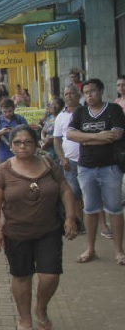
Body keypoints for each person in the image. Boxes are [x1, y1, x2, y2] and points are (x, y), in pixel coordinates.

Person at [0, 124, 77, 330]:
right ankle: (24, 318)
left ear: (36, 144)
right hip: (17, 233)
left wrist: (71, 217)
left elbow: (65, 189)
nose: (22, 146)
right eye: (17, 142)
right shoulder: (3, 171)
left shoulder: (48, 164)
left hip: (49, 230)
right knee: (22, 277)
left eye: (28, 142)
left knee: (50, 276)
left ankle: (41, 308)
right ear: (10, 146)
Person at [65, 78, 125, 265]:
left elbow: (115, 135)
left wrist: (85, 139)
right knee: (89, 209)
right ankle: (90, 248)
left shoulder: (114, 110)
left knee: (114, 209)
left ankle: (119, 251)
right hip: (86, 167)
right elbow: (69, 134)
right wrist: (97, 136)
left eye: (93, 91)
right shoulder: (81, 112)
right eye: (86, 92)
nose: (90, 95)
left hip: (111, 167)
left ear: (101, 91)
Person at [53, 85, 87, 233]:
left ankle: (103, 225)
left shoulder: (87, 112)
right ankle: (79, 222)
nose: (68, 96)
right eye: (65, 94)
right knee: (73, 193)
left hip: (89, 160)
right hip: (70, 162)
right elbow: (57, 141)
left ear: (79, 95)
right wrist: (62, 159)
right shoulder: (61, 116)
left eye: (71, 93)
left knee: (91, 193)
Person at [0, 98, 28, 163]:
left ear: (14, 109)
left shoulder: (20, 119)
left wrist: (17, 132)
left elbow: (29, 136)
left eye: (10, 111)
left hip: (20, 154)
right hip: (3, 156)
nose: (7, 114)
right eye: (5, 112)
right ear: (1, 109)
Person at [39, 96, 63, 162]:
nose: (54, 106)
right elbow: (43, 131)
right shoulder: (49, 118)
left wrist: (48, 142)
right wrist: (43, 139)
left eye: (56, 104)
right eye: (52, 104)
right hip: (47, 148)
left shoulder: (62, 118)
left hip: (57, 148)